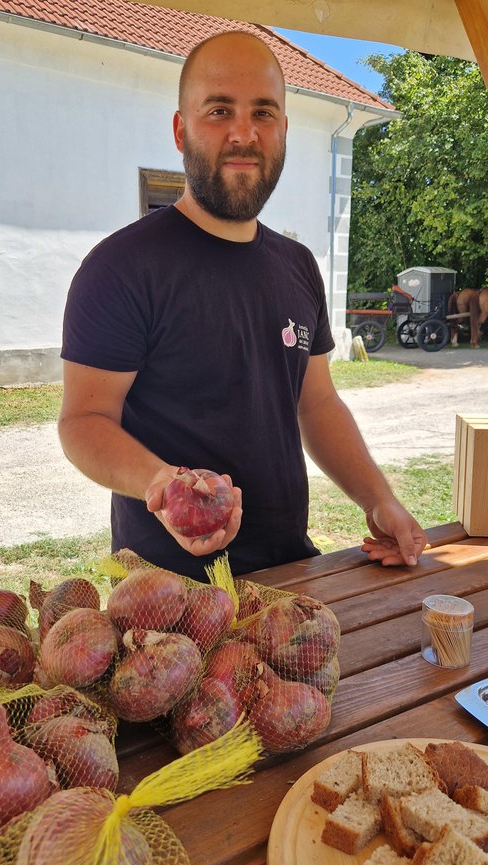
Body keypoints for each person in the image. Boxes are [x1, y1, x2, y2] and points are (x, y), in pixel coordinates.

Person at [58, 30, 427, 581]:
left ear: (283, 131)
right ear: (181, 131)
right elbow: (84, 421)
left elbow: (317, 404)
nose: (243, 132)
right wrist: (162, 485)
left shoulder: (298, 265)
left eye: (263, 112)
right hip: (168, 595)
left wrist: (378, 500)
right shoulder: (121, 267)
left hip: (291, 576)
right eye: (219, 110)